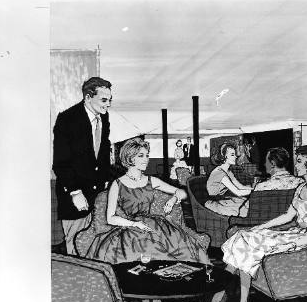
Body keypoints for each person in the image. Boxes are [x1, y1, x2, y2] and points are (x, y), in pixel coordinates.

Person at [208, 145, 307, 302]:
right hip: (293, 232)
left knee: (247, 243)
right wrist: (262, 226)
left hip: (306, 238)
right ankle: (234, 300)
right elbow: (288, 215)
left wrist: (291, 243)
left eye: (300, 162)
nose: (296, 166)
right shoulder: (300, 188)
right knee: (243, 236)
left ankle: (231, 299)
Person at [85, 137, 211, 265]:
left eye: (147, 155)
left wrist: (173, 199)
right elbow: (110, 218)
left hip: (156, 224)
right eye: (141, 156)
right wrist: (134, 224)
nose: (146, 159)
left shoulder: (151, 180)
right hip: (132, 227)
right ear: (130, 158)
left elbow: (183, 193)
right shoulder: (117, 184)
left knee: (182, 250)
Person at [52, 77, 113, 255]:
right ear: (88, 97)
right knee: (76, 248)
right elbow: (61, 163)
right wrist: (75, 192)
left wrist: (106, 181)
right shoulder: (67, 119)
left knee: (96, 246)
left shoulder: (104, 117)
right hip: (74, 197)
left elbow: (102, 154)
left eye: (110, 100)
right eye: (104, 100)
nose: (108, 105)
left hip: (98, 196)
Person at [204, 143, 252, 217]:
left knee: (248, 205)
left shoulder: (228, 171)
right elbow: (238, 192)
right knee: (244, 211)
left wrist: (253, 188)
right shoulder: (219, 173)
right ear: (224, 157)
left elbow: (240, 186)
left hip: (223, 200)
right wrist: (255, 191)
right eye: (232, 155)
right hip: (214, 203)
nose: (235, 157)